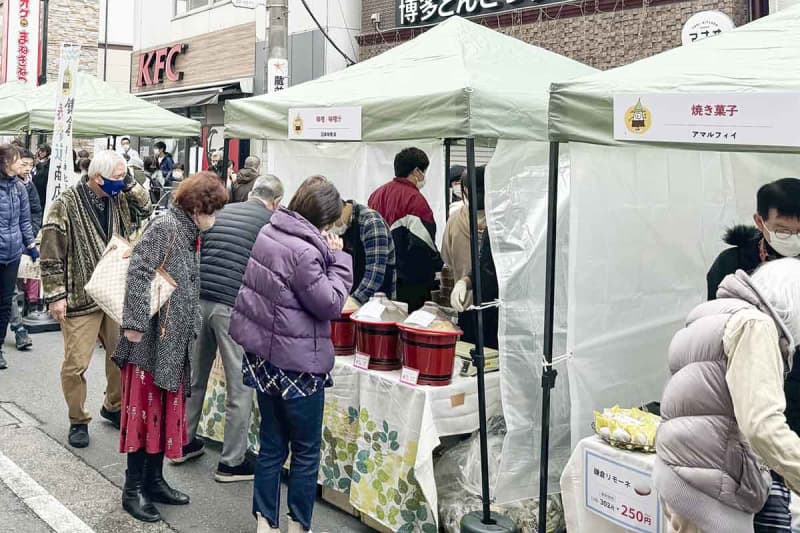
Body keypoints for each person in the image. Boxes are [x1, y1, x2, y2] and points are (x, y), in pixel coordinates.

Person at [230, 180, 353, 533]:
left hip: (264, 360)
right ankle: (298, 525)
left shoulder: (270, 231)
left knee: (271, 444)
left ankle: (264, 523)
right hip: (298, 364)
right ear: (324, 219)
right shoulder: (308, 251)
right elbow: (330, 302)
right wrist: (340, 259)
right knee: (305, 450)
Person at [112, 171, 226, 523]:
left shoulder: (188, 231)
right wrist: (132, 324)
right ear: (196, 207)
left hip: (171, 343)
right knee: (143, 415)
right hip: (149, 341)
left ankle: (155, 480)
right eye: (213, 210)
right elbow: (139, 272)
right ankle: (133, 490)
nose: (215, 218)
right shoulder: (167, 227)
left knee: (162, 412)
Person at [655, 259, 800, 533]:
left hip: (679, 473)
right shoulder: (756, 326)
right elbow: (762, 425)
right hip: (711, 489)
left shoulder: (712, 315)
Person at [40, 150, 152, 448]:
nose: (121, 181)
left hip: (113, 290)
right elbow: (50, 253)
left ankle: (113, 406)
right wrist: (55, 296)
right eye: (116, 177)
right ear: (96, 177)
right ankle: (78, 419)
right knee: (76, 364)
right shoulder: (65, 204)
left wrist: (128, 182)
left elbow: (146, 208)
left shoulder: (118, 196)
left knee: (120, 356)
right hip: (80, 296)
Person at [179, 175, 284, 482]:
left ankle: (183, 441)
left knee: (196, 377)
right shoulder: (271, 223)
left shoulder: (223, 213)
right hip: (232, 308)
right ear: (275, 202)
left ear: (251, 193)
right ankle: (231, 461)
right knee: (240, 386)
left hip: (200, 301)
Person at [368, 147, 443, 312]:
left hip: (378, 277)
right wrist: (439, 267)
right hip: (408, 284)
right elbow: (424, 246)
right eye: (424, 171)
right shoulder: (415, 201)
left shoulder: (375, 195)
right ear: (417, 171)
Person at [707, 178, 800, 299]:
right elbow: (717, 313)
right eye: (782, 231)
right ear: (760, 222)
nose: (794, 239)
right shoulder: (731, 263)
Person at [0, 145, 37, 370]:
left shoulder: (20, 188)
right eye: (17, 160)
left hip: (12, 254)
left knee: (5, 304)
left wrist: (31, 245)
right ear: (5, 163)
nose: (21, 163)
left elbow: (25, 219)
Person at [331, 198, 396, 304]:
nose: (328, 228)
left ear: (336, 211)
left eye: (329, 223)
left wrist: (353, 301)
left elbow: (375, 273)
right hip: (351, 298)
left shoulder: (371, 223)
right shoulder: (344, 228)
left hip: (378, 305)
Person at [9, 149, 43, 352]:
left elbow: (33, 213)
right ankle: (19, 328)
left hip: (18, 244)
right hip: (8, 244)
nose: (27, 168)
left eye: (31, 164)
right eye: (24, 164)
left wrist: (29, 241)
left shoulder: (27, 186)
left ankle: (19, 329)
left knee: (10, 291)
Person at [450, 230, 499, 350]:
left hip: (511, 311)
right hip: (490, 310)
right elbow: (485, 268)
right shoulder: (495, 227)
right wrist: (465, 282)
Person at [442, 165, 486, 282]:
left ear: (465, 190)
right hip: (496, 295)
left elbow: (447, 258)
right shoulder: (501, 221)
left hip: (463, 295)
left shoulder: (455, 219)